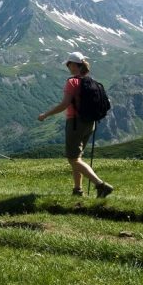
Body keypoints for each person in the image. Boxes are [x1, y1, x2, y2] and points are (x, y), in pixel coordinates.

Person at [37, 52, 114, 198]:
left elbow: (64, 104)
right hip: (90, 123)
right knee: (77, 158)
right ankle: (77, 190)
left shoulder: (72, 82)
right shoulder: (91, 82)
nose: (68, 66)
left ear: (73, 65)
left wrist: (46, 114)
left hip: (75, 123)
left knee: (73, 159)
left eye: (68, 64)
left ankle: (100, 185)